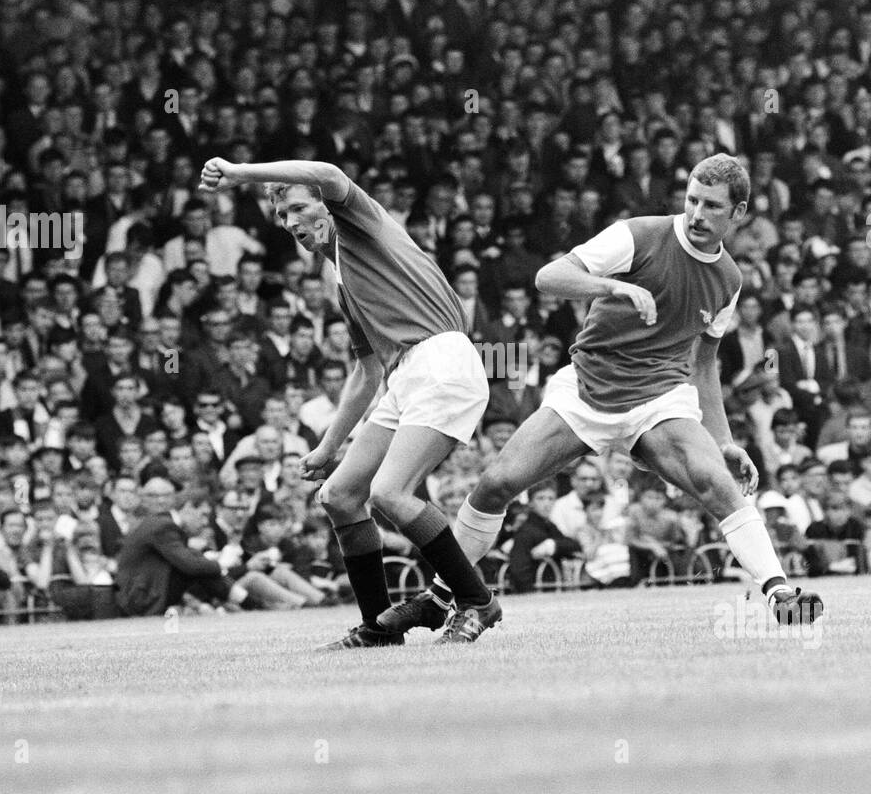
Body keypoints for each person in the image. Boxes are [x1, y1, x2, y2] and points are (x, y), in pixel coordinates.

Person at [382, 154, 823, 634]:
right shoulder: (637, 235)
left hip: (659, 397)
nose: (697, 214)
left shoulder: (730, 280)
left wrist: (722, 440)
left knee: (716, 481)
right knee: (496, 485)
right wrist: (614, 288)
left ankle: (779, 593)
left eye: (713, 206)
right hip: (588, 388)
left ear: (738, 213)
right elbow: (548, 277)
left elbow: (703, 365)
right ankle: (443, 597)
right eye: (692, 200)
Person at [198, 157, 498, 648]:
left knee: (390, 493)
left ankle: (476, 601)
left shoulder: (364, 224)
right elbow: (366, 372)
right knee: (338, 496)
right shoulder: (341, 279)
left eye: (298, 207)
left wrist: (239, 173)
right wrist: (327, 445)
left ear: (325, 206)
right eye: (282, 217)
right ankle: (379, 629)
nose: (292, 222)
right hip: (404, 374)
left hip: (442, 359)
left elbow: (331, 173)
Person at [113, 477, 258, 617]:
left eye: (165, 495)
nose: (160, 500)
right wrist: (221, 564)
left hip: (139, 593)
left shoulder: (154, 522)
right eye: (202, 515)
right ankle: (252, 604)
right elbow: (190, 565)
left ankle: (247, 604)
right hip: (140, 600)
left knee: (200, 565)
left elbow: (188, 559)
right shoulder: (160, 525)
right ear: (188, 507)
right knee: (199, 569)